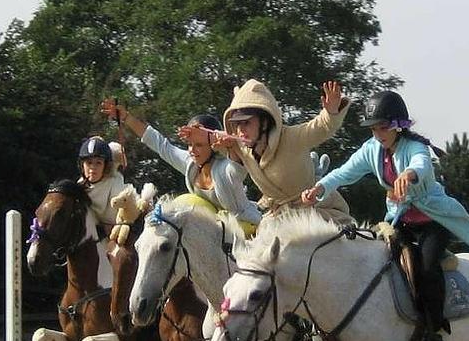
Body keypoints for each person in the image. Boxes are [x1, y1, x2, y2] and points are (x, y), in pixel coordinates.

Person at [300, 91, 469, 341]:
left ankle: (434, 336)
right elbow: (345, 172)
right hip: (400, 222)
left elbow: (420, 165)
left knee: (427, 267)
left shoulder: (415, 147)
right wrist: (320, 188)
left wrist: (408, 175)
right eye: (374, 128)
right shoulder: (372, 149)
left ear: (398, 126)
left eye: (382, 127)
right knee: (376, 263)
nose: (378, 133)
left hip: (431, 223)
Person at [100, 100, 262, 235]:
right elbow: (159, 143)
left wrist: (226, 144)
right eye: (190, 144)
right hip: (215, 234)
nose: (192, 150)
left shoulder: (226, 168)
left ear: (213, 144)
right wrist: (126, 118)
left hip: (248, 231)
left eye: (199, 144)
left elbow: (241, 157)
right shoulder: (190, 164)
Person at [217, 79, 353, 225]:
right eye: (236, 124)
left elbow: (321, 127)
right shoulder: (239, 146)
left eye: (246, 122)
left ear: (265, 121)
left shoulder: (292, 138)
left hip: (317, 210)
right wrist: (196, 132)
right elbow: (211, 137)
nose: (240, 130)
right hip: (277, 217)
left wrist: (331, 112)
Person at [76, 135, 127, 289]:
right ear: (82, 165)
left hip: (116, 238)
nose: (93, 168)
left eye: (98, 163)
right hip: (91, 240)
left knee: (124, 261)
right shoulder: (79, 186)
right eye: (89, 163)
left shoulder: (115, 183)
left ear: (106, 165)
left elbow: (125, 214)